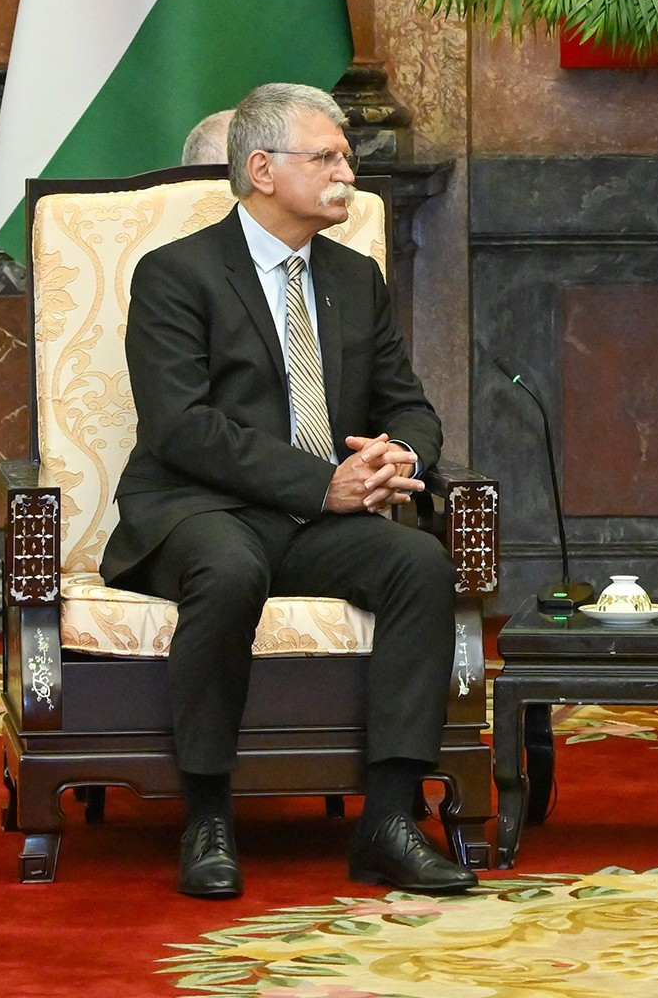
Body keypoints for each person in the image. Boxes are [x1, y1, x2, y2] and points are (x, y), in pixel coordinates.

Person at [101, 83, 475, 900]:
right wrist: (324, 484)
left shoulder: (352, 276)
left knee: (418, 564)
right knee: (229, 571)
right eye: (330, 157)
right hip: (201, 509)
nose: (349, 173)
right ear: (262, 169)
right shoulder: (176, 274)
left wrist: (395, 452)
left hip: (313, 517)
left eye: (347, 157)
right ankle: (206, 815)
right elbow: (182, 427)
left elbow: (405, 398)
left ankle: (387, 820)